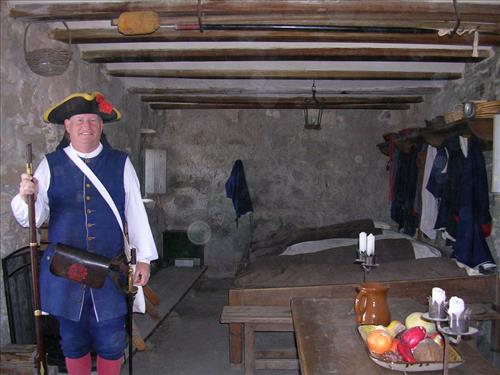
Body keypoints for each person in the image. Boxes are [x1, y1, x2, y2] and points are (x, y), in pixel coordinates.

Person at [11, 92, 158, 375]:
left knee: (112, 341)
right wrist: (25, 195)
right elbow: (34, 215)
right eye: (79, 120)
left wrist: (144, 260)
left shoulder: (120, 163)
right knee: (73, 342)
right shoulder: (50, 164)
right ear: (67, 125)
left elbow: (135, 213)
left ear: (101, 126)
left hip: (110, 270)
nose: (86, 126)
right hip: (64, 271)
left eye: (93, 120)